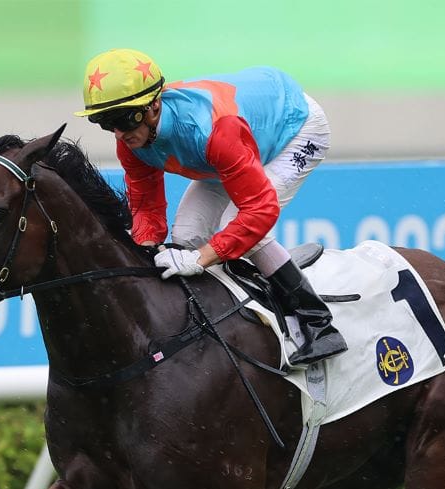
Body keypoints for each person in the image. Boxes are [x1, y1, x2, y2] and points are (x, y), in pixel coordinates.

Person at [75, 48, 347, 367]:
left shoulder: (212, 131)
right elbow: (147, 210)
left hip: (295, 130)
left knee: (241, 226)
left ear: (154, 106)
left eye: (122, 120)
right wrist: (145, 252)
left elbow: (259, 212)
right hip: (231, 147)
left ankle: (318, 322)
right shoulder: (131, 142)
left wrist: (204, 257)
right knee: (186, 234)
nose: (119, 134)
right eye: (106, 123)